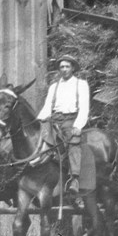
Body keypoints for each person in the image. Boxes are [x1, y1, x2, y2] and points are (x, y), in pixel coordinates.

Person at [36, 54, 90, 195]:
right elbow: (48, 106)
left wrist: (78, 126)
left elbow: (84, 107)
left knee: (73, 143)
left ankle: (75, 179)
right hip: (55, 119)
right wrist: (39, 120)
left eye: (67, 66)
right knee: (40, 140)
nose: (64, 69)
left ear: (72, 68)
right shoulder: (54, 86)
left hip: (71, 119)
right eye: (62, 67)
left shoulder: (81, 84)